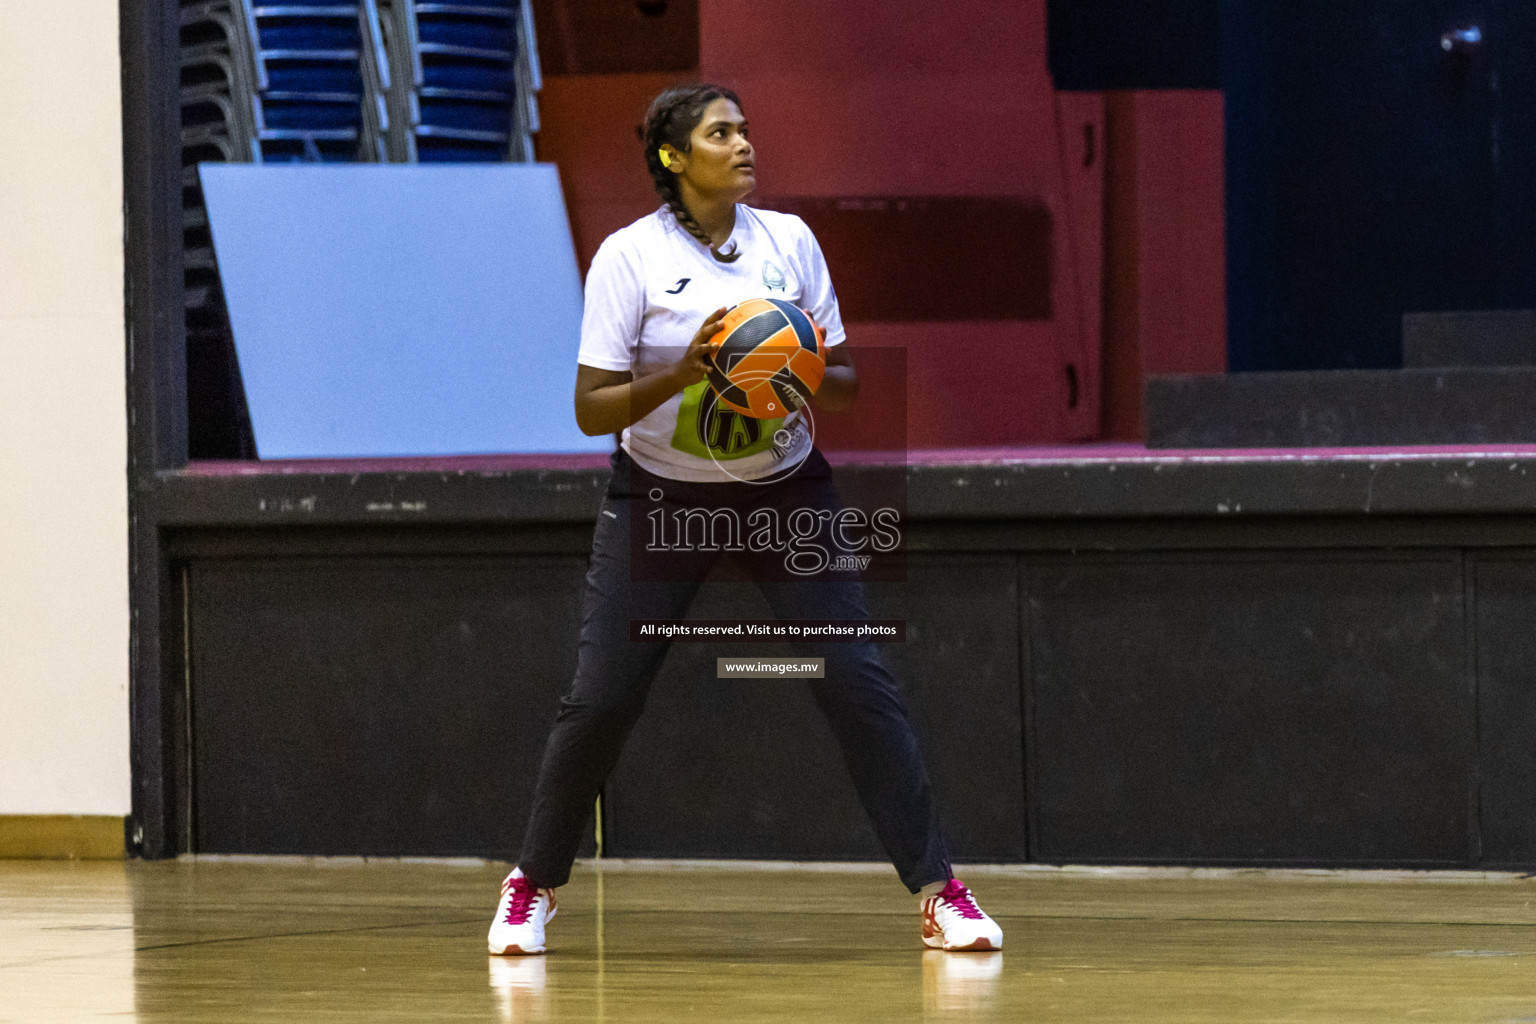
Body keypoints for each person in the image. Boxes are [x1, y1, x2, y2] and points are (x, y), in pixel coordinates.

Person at [488, 83, 1003, 954]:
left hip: (784, 493)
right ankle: (530, 885)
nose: (743, 143)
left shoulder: (790, 241)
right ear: (672, 157)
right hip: (660, 497)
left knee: (856, 683)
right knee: (603, 698)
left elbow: (844, 381)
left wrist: (789, 364)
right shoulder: (629, 259)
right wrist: (693, 369)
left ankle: (940, 890)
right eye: (720, 132)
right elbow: (590, 409)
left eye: (746, 129)